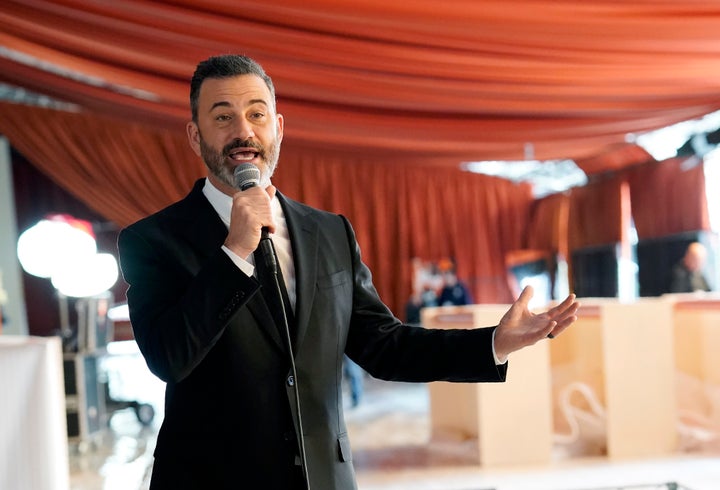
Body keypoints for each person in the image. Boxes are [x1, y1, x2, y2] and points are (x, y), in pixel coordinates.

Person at [117, 54, 579, 490]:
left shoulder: (329, 232)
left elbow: (384, 346)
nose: (243, 131)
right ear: (196, 135)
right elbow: (169, 357)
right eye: (223, 117)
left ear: (277, 128)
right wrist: (235, 250)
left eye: (257, 115)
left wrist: (493, 343)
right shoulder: (152, 241)